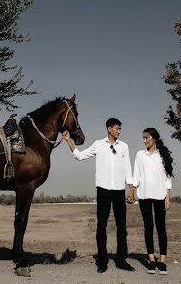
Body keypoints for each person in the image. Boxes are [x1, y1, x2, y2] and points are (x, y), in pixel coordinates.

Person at [62, 117, 135, 272]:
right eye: (117, 128)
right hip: (103, 191)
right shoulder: (98, 145)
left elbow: (128, 169)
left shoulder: (124, 147)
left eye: (120, 129)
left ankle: (121, 260)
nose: (119, 131)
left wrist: (131, 190)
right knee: (101, 226)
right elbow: (80, 156)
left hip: (119, 191)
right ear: (109, 128)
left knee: (122, 227)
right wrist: (69, 140)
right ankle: (102, 262)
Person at [128, 127, 174, 275]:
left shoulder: (162, 155)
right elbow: (136, 175)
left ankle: (162, 261)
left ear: (154, 138)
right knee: (148, 227)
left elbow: (167, 177)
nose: (144, 140)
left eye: (147, 137)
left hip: (160, 195)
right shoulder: (140, 155)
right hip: (144, 196)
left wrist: (168, 196)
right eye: (143, 138)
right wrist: (132, 191)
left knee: (161, 227)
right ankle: (151, 260)